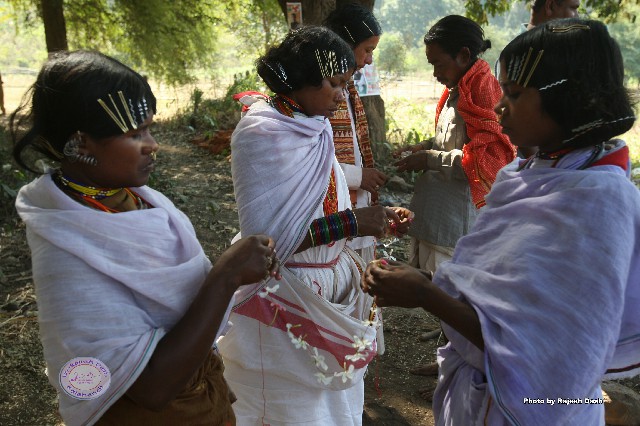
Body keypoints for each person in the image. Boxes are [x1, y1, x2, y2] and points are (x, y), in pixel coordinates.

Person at [363, 18, 640, 425]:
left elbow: (545, 352)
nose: (498, 107)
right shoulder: (527, 174)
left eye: (514, 94)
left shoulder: (600, 203)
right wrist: (429, 284)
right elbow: (498, 288)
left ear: (566, 97)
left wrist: (427, 294)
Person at [11, 50, 281, 426]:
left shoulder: (139, 199)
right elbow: (152, 389)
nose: (152, 144)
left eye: (149, 129)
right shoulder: (66, 250)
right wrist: (226, 276)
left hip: (203, 401)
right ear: (82, 143)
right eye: (135, 134)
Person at [218, 26, 412, 425]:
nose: (341, 95)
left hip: (327, 285)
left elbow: (323, 201)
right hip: (282, 293)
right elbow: (265, 245)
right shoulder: (263, 133)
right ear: (303, 77)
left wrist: (372, 220)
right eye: (335, 84)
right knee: (289, 408)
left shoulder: (313, 125)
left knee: (332, 407)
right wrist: (352, 222)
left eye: (346, 84)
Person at [393, 15, 516, 384]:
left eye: (438, 64)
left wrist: (429, 159)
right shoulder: (458, 89)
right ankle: (449, 351)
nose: (434, 73)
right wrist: (423, 148)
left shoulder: (484, 93)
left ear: (463, 55)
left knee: (454, 294)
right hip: (437, 210)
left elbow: (486, 160)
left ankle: (454, 364)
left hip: (456, 216)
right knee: (440, 287)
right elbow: (452, 142)